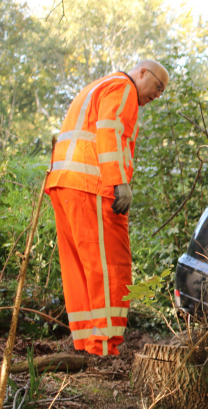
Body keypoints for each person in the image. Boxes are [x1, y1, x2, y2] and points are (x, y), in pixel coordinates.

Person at [46, 60, 169, 357]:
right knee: (110, 266)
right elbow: (110, 132)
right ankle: (104, 346)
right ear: (142, 73)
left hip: (64, 184)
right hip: (93, 187)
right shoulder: (123, 87)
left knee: (81, 267)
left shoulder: (94, 88)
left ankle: (87, 343)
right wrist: (119, 182)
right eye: (158, 87)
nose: (157, 95)